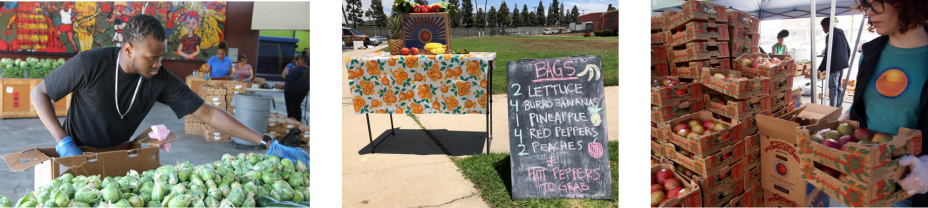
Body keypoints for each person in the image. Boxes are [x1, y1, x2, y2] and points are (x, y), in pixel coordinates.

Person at [30, 15, 309, 165]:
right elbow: (38, 94)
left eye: (161, 56)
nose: (158, 64)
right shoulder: (89, 63)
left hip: (120, 157)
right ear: (128, 50)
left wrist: (268, 143)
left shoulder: (159, 77)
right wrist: (63, 142)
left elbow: (209, 114)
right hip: (76, 156)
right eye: (151, 58)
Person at [838, 0, 928, 208]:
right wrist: (838, 124)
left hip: (907, 192)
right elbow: (862, 107)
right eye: (865, 4)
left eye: (877, 2)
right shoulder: (869, 54)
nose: (868, 12)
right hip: (859, 181)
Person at [819, 17, 852, 107]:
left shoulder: (831, 36)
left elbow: (827, 54)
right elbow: (848, 49)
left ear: (826, 25)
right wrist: (844, 61)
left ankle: (832, 112)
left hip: (834, 66)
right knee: (839, 88)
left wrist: (820, 68)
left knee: (833, 89)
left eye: (823, 27)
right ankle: (838, 109)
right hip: (842, 65)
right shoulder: (841, 33)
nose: (823, 29)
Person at [283, 54, 310, 121]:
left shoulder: (298, 70)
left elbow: (288, 78)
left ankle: (292, 123)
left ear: (301, 60)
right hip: (304, 89)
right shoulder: (308, 69)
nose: (297, 62)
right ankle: (298, 122)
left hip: (293, 89)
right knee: (297, 106)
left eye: (298, 60)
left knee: (291, 107)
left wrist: (287, 74)